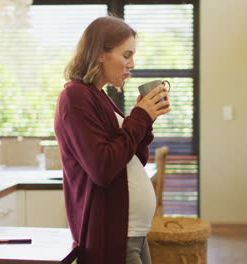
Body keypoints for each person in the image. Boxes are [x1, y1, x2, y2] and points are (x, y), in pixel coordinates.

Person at [54, 16, 171, 264]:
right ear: (100, 53)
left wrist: (145, 120)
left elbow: (131, 160)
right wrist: (139, 118)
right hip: (113, 234)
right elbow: (102, 168)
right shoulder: (75, 97)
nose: (131, 64)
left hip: (132, 233)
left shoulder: (100, 97)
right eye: (126, 55)